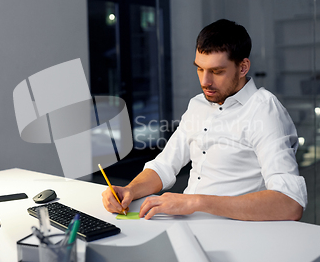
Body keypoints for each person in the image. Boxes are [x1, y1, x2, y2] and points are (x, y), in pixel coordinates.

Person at [102, 19, 307, 221]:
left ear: (243, 67)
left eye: (217, 71)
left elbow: (290, 202)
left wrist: (195, 202)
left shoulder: (264, 110)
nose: (204, 81)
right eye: (200, 68)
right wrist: (130, 190)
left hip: (237, 235)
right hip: (188, 226)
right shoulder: (198, 105)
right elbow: (164, 165)